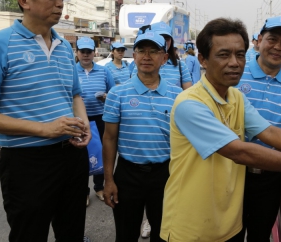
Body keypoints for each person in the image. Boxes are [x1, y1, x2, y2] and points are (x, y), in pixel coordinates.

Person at [160, 17, 281, 241]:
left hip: (228, 223)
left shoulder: (235, 96)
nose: (234, 63)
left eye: (240, 54)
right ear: (202, 59)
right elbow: (240, 152)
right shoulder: (190, 104)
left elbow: (270, 133)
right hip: (191, 227)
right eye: (223, 55)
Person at [0, 0, 91, 241]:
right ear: (24, 0)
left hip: (71, 156)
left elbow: (75, 94)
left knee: (72, 232)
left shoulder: (64, 47)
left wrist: (85, 124)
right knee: (28, 234)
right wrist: (45, 129)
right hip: (26, 163)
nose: (60, 4)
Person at [102, 31, 182, 242]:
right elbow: (109, 138)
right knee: (126, 234)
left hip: (165, 175)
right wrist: (108, 180)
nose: (147, 56)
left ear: (164, 58)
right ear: (134, 56)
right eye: (141, 51)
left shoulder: (178, 96)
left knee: (164, 235)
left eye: (153, 51)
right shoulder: (117, 94)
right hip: (128, 175)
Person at [236, 16, 281, 241]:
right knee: (227, 235)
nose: (278, 47)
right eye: (272, 39)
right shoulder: (236, 73)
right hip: (232, 171)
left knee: (260, 234)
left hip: (271, 177)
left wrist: (274, 152)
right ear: (259, 41)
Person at [75, 37, 115, 206]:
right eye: (82, 51)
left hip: (100, 118)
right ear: (77, 52)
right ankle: (82, 191)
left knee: (100, 153)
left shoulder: (104, 71)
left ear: (94, 53)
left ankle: (99, 187)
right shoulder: (70, 71)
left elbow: (113, 93)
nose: (85, 55)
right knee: (80, 156)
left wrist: (106, 97)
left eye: (89, 52)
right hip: (77, 121)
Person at [130, 22, 193, 90]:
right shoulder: (142, 64)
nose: (164, 41)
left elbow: (187, 94)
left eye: (167, 38)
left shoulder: (181, 66)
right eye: (160, 37)